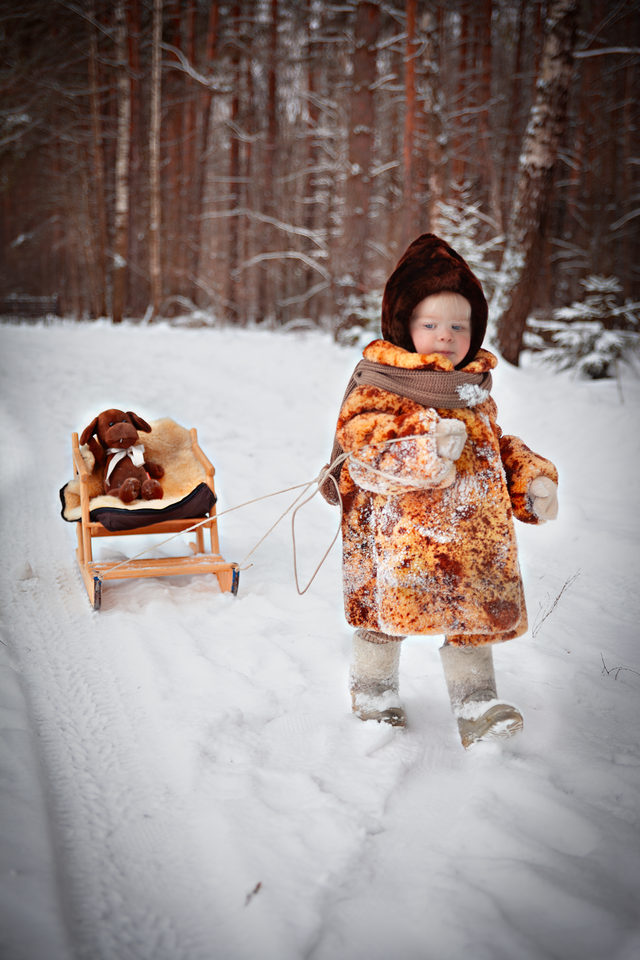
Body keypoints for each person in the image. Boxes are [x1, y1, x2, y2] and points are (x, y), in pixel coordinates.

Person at [322, 234, 558, 747]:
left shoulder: (473, 391)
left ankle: (477, 705)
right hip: (401, 538)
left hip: (472, 537)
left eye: (458, 326)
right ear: (403, 325)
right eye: (429, 325)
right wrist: (425, 449)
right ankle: (373, 690)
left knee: (472, 617)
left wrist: (530, 479)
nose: (445, 336)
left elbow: (493, 445)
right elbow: (365, 447)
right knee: (385, 615)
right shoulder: (381, 385)